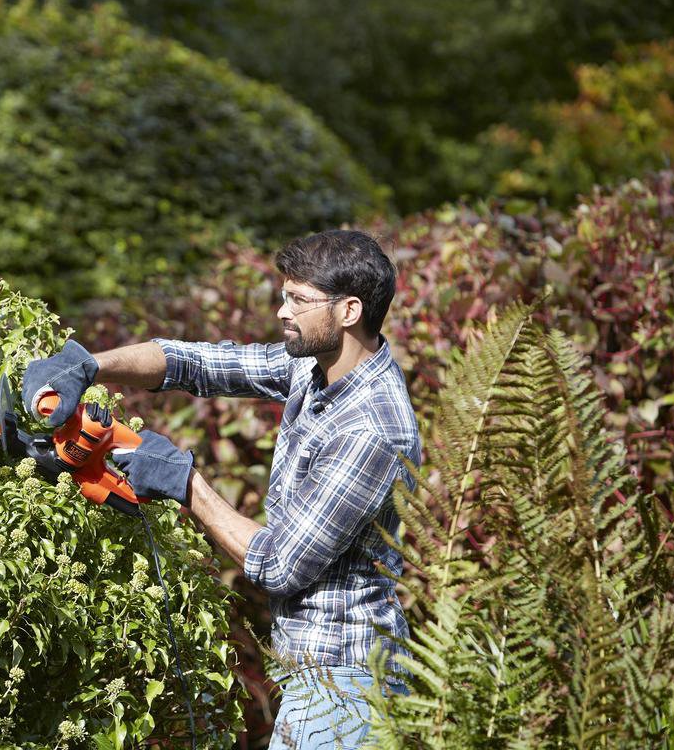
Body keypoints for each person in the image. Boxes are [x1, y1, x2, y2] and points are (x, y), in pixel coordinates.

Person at [21, 229, 420, 749]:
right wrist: (90, 365)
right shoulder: (317, 369)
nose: (282, 311)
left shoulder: (371, 428)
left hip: (345, 684)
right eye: (284, 295)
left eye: (298, 300)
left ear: (349, 311)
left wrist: (185, 482)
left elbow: (279, 564)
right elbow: (198, 364)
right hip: (318, 671)